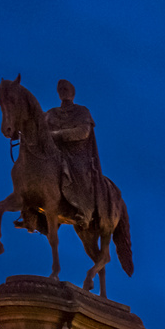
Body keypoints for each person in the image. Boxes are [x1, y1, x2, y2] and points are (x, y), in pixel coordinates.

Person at [45, 79, 105, 230]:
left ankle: (85, 212)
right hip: (55, 152)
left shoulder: (82, 111)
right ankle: (33, 214)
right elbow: (38, 127)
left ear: (72, 92)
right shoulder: (51, 113)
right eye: (60, 89)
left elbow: (84, 132)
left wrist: (58, 135)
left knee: (79, 171)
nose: (63, 90)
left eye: (66, 88)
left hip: (77, 153)